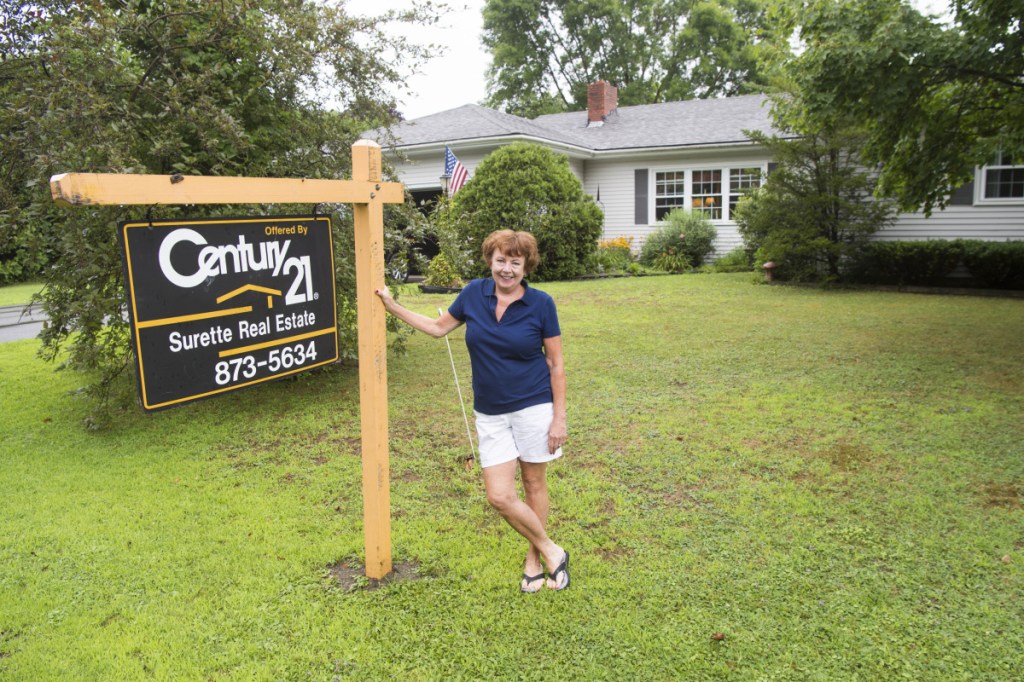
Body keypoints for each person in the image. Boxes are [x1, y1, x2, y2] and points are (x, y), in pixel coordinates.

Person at [375, 229, 570, 592]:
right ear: (489, 261)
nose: (507, 270)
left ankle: (534, 558)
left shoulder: (541, 304)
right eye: (501, 261)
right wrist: (392, 306)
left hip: (533, 406)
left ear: (527, 265)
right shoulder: (473, 294)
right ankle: (552, 550)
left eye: (515, 262)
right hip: (491, 412)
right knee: (498, 495)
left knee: (532, 482)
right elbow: (437, 328)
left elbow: (555, 364)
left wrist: (559, 417)